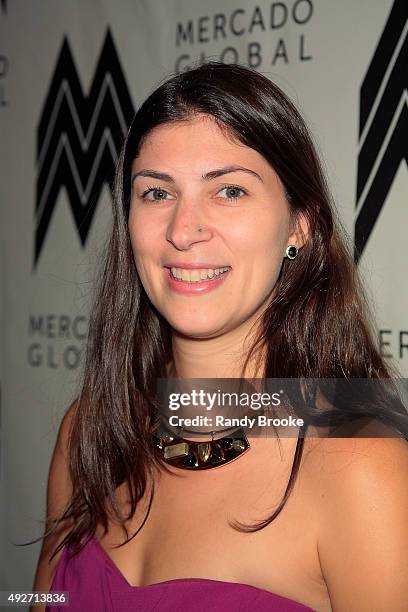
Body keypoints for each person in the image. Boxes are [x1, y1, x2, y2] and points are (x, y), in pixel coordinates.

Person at [30, 61, 408, 611]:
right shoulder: (90, 429)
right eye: (156, 193)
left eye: (229, 191)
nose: (184, 230)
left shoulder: (361, 466)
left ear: (299, 224)